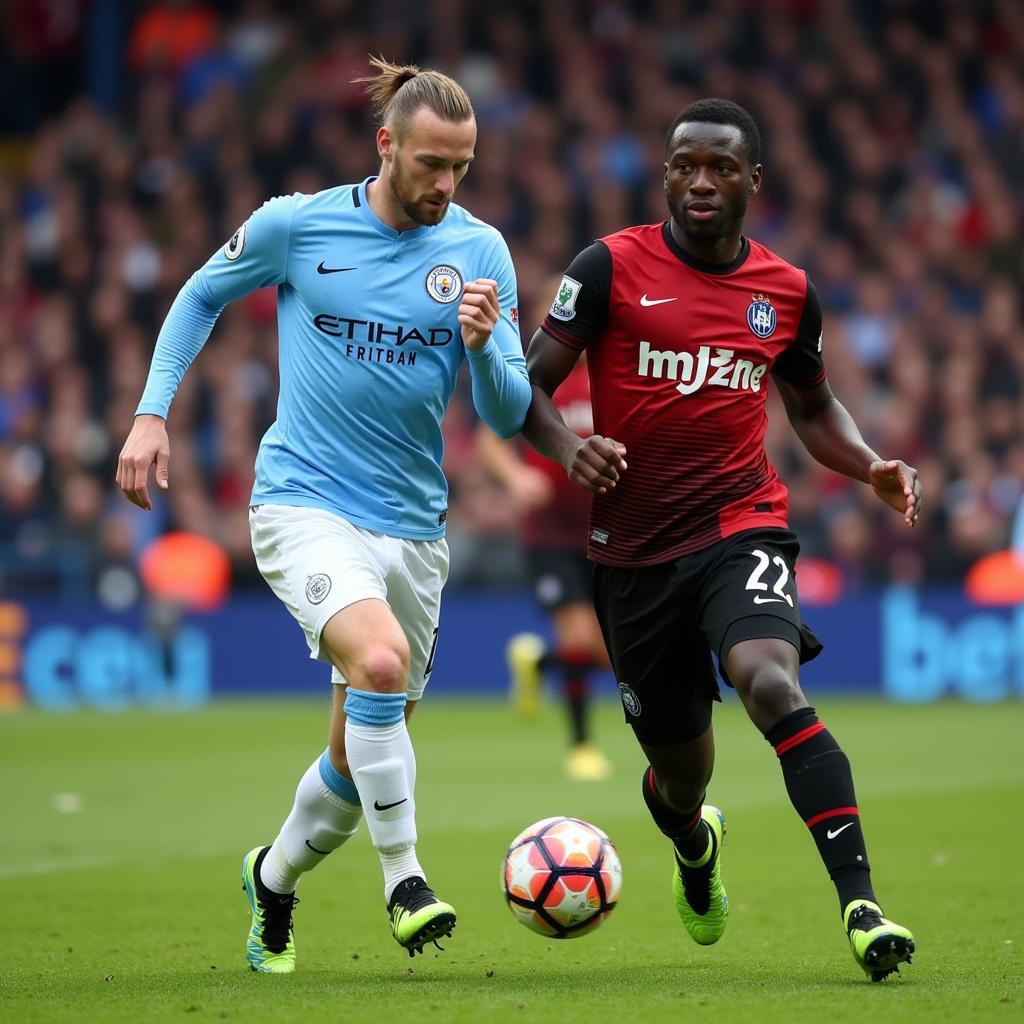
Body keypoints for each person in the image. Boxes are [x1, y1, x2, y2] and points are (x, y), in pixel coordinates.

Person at [116, 57, 530, 972]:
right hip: (303, 500)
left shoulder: (479, 251)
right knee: (379, 661)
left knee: (357, 756)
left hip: (414, 527)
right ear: (385, 144)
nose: (445, 185)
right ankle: (407, 879)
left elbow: (506, 412)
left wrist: (485, 349)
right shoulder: (297, 227)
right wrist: (152, 413)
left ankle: (271, 879)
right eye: (430, 163)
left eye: (461, 166)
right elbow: (198, 296)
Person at [520, 98, 919, 982]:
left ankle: (863, 908)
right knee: (679, 781)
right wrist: (568, 446)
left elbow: (812, 407)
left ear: (753, 181)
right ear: (666, 173)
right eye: (685, 165)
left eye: (721, 167)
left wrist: (869, 467)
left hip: (742, 527)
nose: (701, 181)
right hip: (631, 558)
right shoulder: (609, 267)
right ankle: (695, 848)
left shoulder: (786, 292)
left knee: (771, 683)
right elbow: (527, 386)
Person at [477, 343, 612, 782]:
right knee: (577, 635)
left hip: (609, 532)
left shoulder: (615, 373)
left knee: (611, 656)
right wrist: (516, 477)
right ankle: (581, 747)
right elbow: (489, 438)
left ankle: (537, 664)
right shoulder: (535, 380)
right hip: (550, 534)